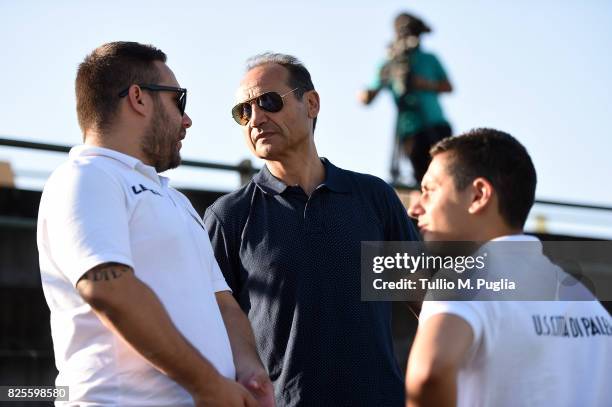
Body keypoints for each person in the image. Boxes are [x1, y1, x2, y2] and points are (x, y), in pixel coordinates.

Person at [37, 42, 273, 407]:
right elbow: (107, 288)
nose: (187, 119)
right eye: (179, 100)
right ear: (138, 98)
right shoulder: (85, 176)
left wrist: (249, 370)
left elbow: (222, 303)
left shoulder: (175, 200)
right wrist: (208, 384)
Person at [203, 53, 420, 406]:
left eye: (268, 102)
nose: (256, 118)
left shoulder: (374, 197)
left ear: (312, 103)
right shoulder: (228, 217)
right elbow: (210, 330)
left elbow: (427, 299)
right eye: (243, 112)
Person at [405, 128, 612, 407]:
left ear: (479, 195)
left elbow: (429, 374)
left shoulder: (464, 279)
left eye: (429, 190)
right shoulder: (589, 305)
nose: (416, 208)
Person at [359, 12, 453, 185]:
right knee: (424, 180)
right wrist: (379, 82)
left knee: (447, 176)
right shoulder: (389, 63)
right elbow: (367, 98)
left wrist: (423, 84)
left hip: (436, 125)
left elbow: (448, 86)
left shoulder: (429, 59)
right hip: (410, 131)